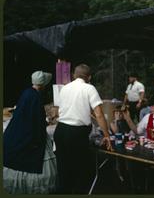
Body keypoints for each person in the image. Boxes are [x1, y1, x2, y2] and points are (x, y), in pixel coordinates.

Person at [54, 64, 112, 194]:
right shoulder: (89, 88)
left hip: (61, 130)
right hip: (76, 134)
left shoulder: (65, 88)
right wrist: (107, 135)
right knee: (81, 171)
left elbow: (60, 110)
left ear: (74, 75)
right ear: (89, 77)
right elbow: (99, 114)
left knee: (63, 171)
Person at [3, 70, 57, 194]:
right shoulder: (36, 97)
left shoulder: (26, 92)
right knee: (32, 157)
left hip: (19, 130)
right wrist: (46, 122)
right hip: (30, 132)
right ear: (43, 85)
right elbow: (36, 118)